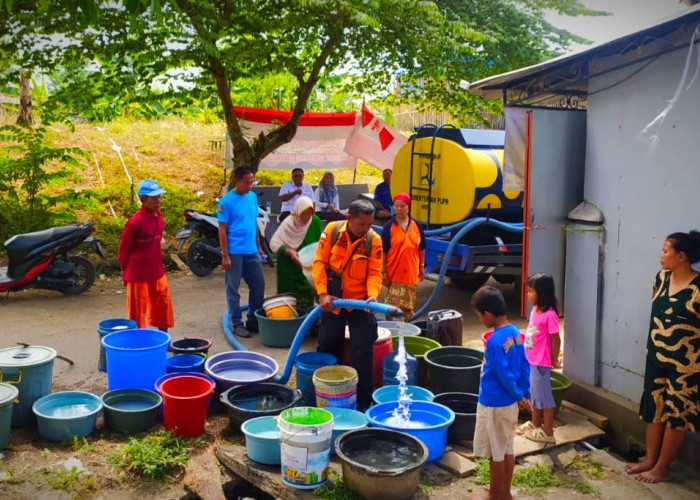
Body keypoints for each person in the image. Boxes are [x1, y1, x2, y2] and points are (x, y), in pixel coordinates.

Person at [624, 230, 700, 483]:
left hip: (687, 365)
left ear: (682, 257)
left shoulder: (698, 288)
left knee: (677, 413)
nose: (661, 256)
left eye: (666, 251)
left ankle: (662, 468)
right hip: (656, 356)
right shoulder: (661, 278)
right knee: (654, 407)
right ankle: (649, 460)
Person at [312, 198, 383, 410]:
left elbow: (375, 272)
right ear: (349, 218)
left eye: (369, 224)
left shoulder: (374, 240)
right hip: (333, 299)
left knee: (363, 351)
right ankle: (325, 397)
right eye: (362, 224)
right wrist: (323, 294)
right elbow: (319, 263)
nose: (365, 229)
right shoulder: (332, 231)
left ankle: (362, 404)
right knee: (328, 344)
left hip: (361, 302)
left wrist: (373, 296)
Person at [471, 285, 530, 500]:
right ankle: (504, 490)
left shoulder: (494, 342)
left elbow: (503, 374)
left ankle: (496, 495)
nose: (479, 319)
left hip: (495, 403)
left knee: (496, 453)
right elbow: (524, 365)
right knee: (506, 447)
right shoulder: (515, 333)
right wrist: (524, 393)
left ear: (487, 314)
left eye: (478, 316)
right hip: (509, 404)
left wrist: (517, 395)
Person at [118, 179, 174, 332]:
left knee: (163, 305)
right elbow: (124, 249)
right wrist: (124, 271)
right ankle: (138, 344)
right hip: (138, 274)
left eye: (159, 196)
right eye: (154, 197)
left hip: (157, 270)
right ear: (143, 200)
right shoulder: (135, 222)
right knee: (137, 311)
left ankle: (164, 340)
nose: (158, 200)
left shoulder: (159, 217)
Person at [217, 166, 266, 338]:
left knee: (258, 286)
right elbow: (222, 229)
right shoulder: (226, 202)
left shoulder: (252, 197)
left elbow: (253, 223)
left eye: (252, 182)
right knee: (233, 289)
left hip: (251, 251)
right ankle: (237, 323)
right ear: (237, 181)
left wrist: (259, 247)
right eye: (247, 182)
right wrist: (225, 255)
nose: (250, 185)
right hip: (234, 253)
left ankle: (253, 320)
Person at [517, 273, 561, 444]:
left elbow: (555, 339)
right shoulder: (536, 309)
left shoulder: (550, 315)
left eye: (530, 292)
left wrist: (554, 359)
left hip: (541, 362)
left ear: (542, 293)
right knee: (534, 394)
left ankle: (548, 431)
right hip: (531, 359)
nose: (528, 295)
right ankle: (535, 424)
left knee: (545, 398)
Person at [269, 196, 322, 310]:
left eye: (310, 213)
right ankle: (290, 322)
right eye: (304, 213)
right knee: (289, 298)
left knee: (307, 293)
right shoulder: (289, 223)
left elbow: (318, 243)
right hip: (288, 267)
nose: (307, 217)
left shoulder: (315, 221)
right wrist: (289, 251)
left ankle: (306, 321)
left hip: (306, 265)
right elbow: (274, 243)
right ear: (297, 212)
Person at [381, 192, 426, 319]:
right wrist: (383, 271)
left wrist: (421, 267)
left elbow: (422, 247)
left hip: (410, 272)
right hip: (394, 272)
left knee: (406, 307)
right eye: (396, 206)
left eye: (402, 206)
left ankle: (403, 331)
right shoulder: (389, 226)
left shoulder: (416, 225)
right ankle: (390, 329)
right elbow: (383, 250)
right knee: (391, 305)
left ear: (408, 207)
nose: (399, 209)